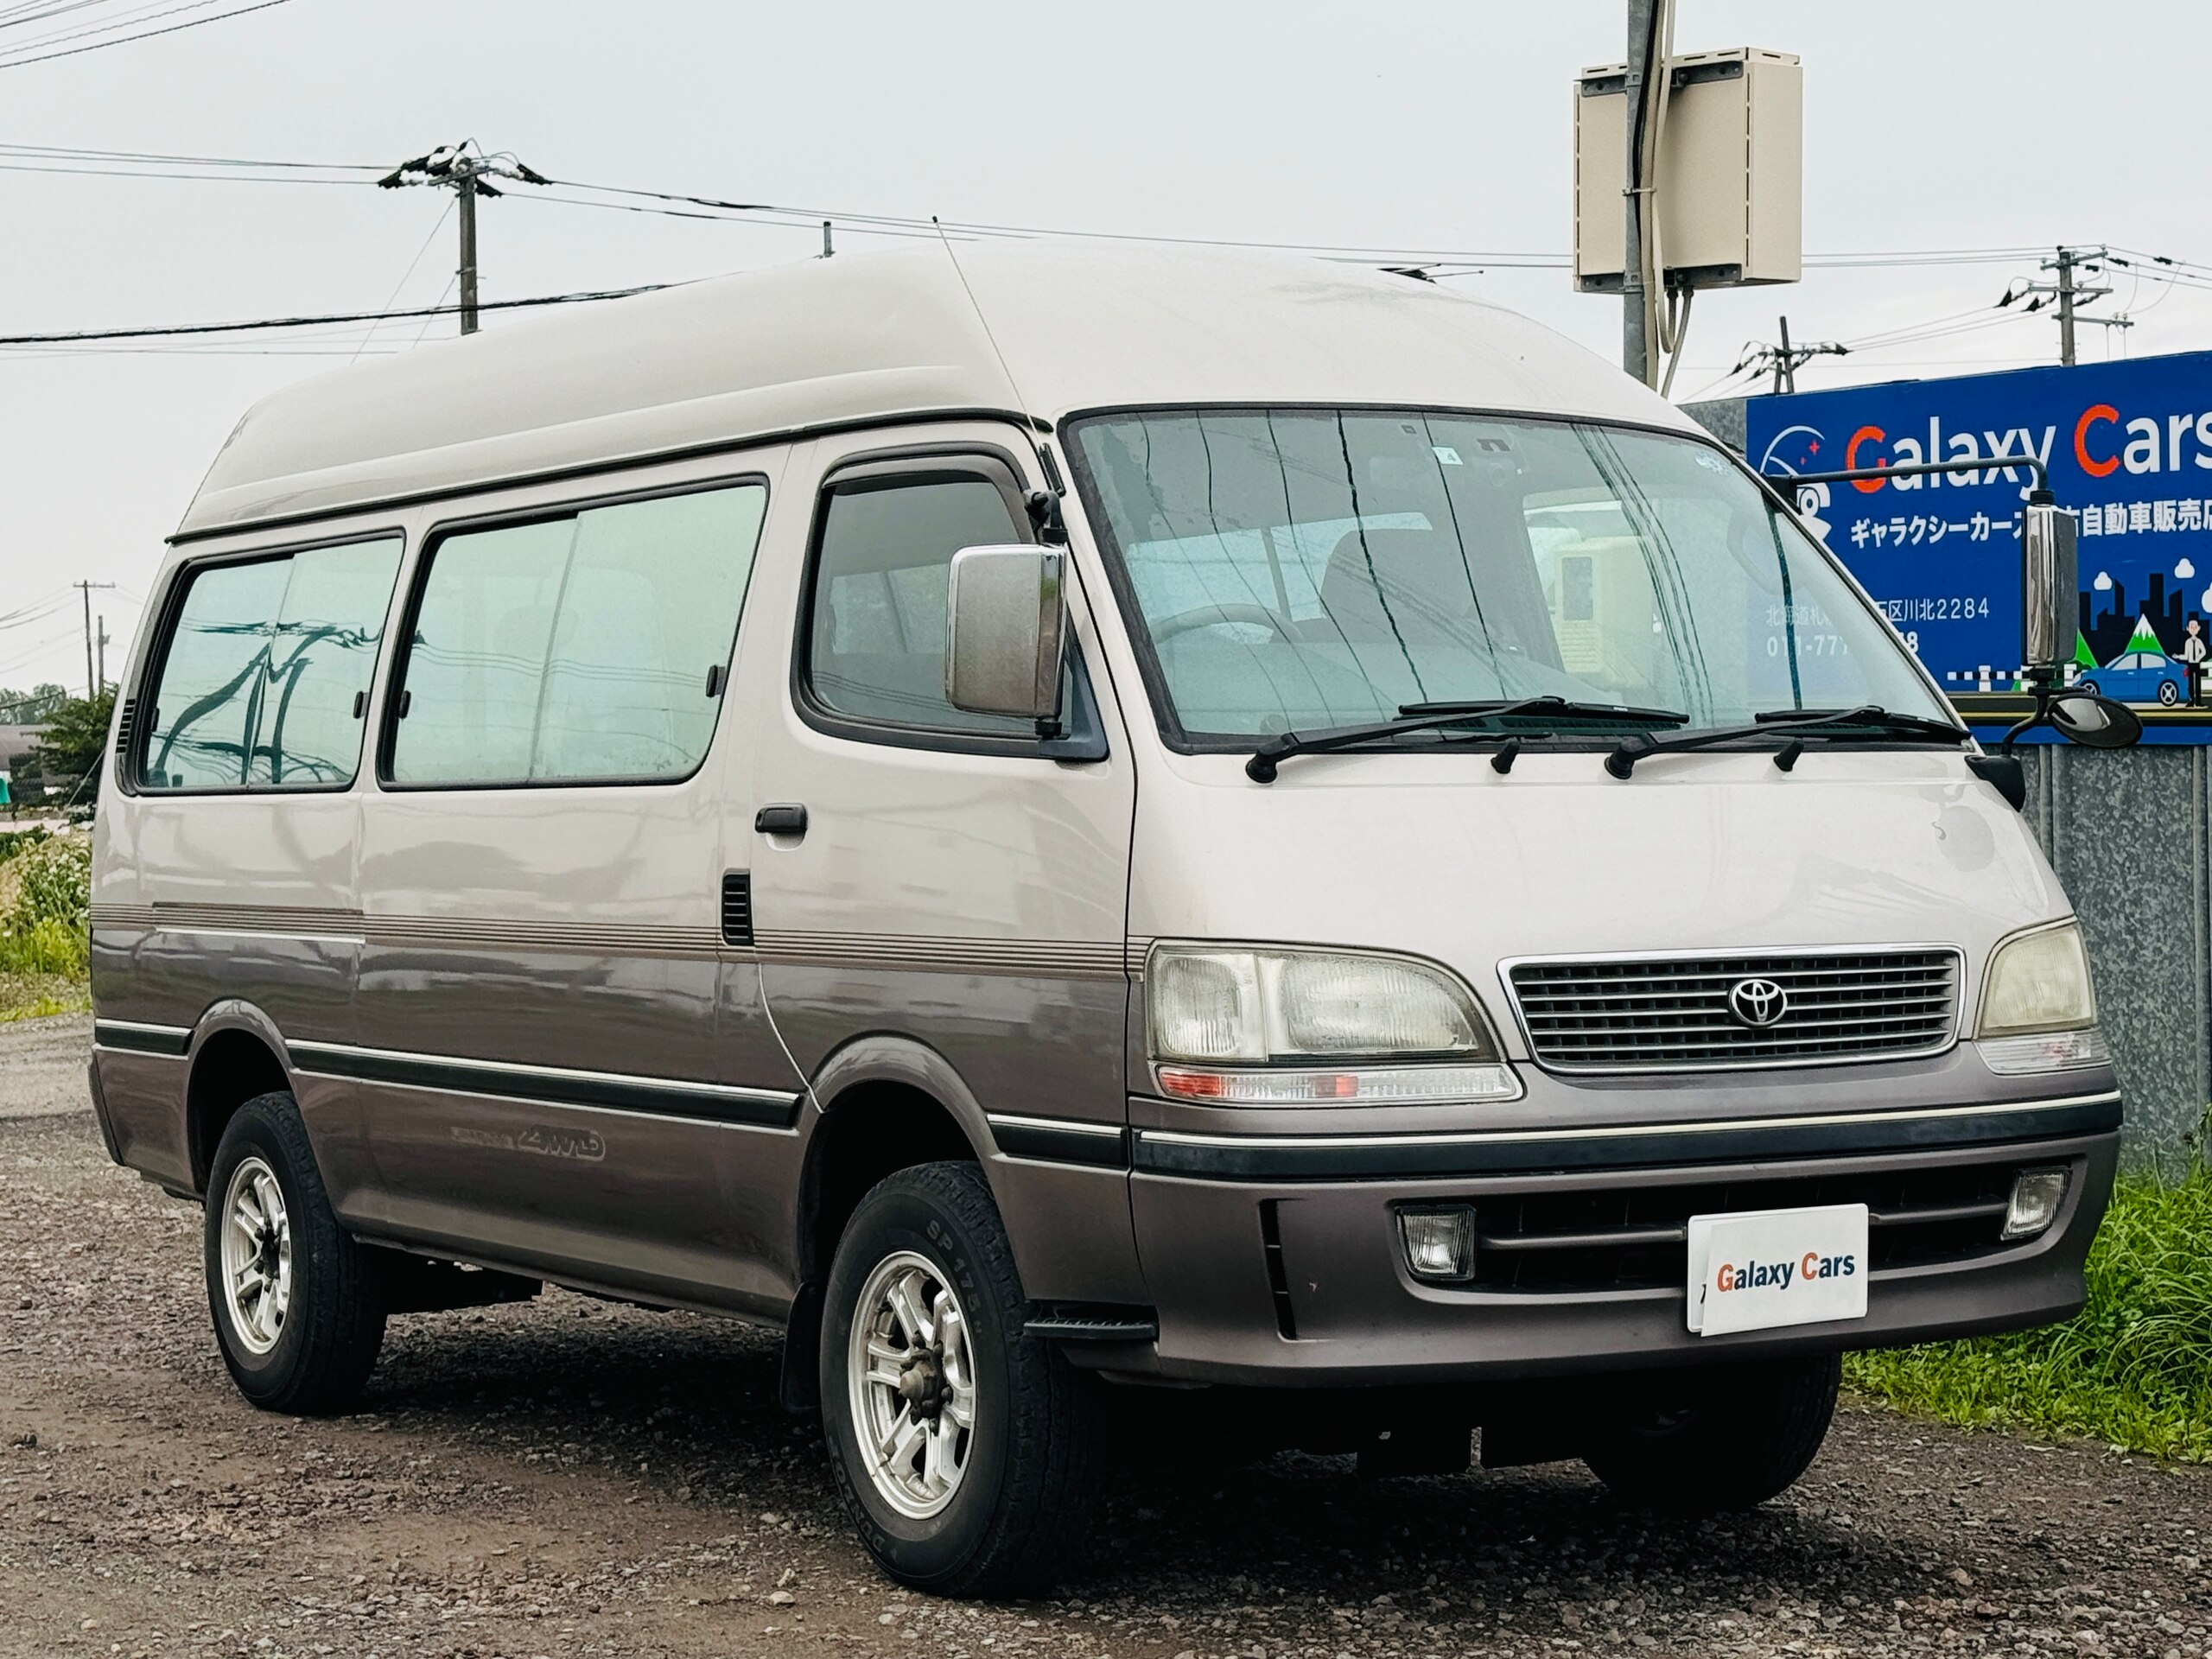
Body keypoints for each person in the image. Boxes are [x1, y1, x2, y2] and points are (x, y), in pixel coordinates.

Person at [2183, 615, 2208, 708]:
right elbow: (2186, 655)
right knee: (2190, 683)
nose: (2193, 629)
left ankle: (2198, 701)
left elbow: (2204, 651)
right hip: (2190, 664)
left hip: (2197, 664)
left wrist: (2198, 657)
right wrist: (2179, 656)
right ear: (2188, 628)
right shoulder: (2188, 642)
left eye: (2195, 627)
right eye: (2191, 627)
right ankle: (2191, 700)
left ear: (2198, 628)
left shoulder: (2199, 641)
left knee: (2197, 682)